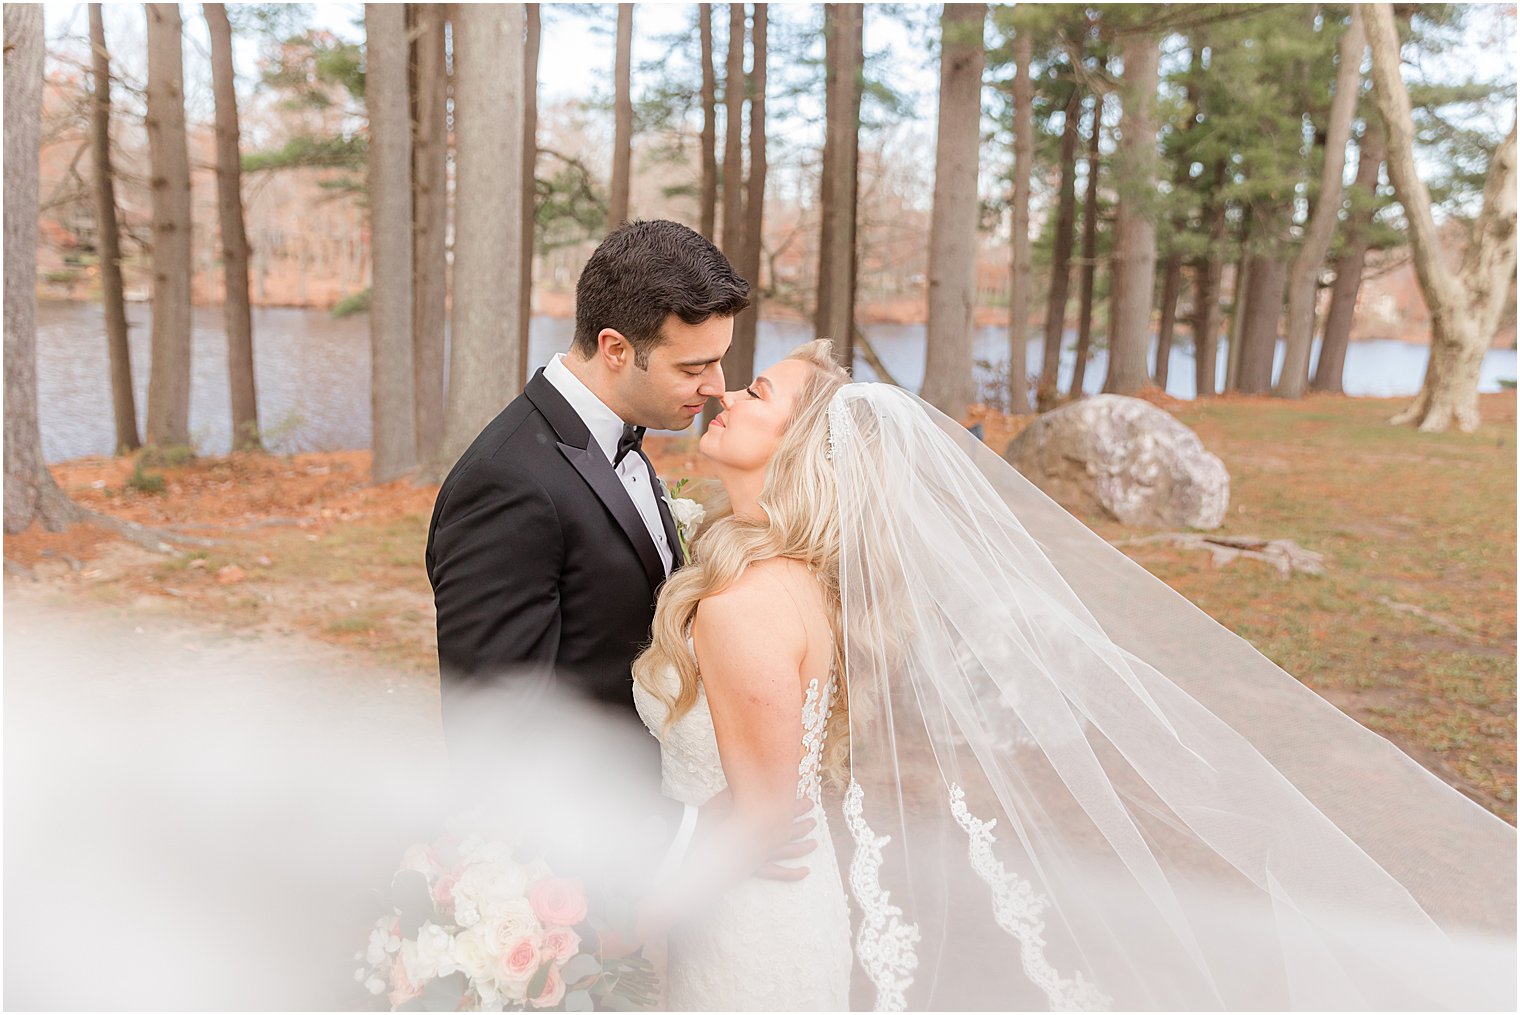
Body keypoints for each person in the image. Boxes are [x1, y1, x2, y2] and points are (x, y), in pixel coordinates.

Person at [631, 338, 1517, 1011]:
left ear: (802, 447)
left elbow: (764, 814)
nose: (728, 394)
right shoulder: (801, 576)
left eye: (757, 391)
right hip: (776, 900)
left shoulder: (747, 601)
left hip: (743, 916)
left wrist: (651, 909)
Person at [425, 219, 812, 885]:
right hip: (587, 874)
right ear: (613, 348)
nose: (718, 385)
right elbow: (495, 734)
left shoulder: (616, 442)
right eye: (693, 366)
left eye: (719, 359)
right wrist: (687, 833)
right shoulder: (508, 483)